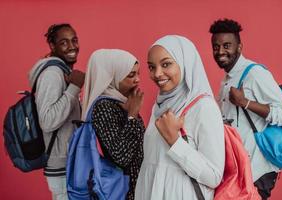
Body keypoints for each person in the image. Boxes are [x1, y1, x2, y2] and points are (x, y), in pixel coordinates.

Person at [209, 18, 282, 199]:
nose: (220, 51)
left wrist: (245, 103)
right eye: (216, 47)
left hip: (257, 171)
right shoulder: (226, 80)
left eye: (227, 45)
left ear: (239, 47)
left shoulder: (255, 74)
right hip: (238, 172)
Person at [135, 35, 225, 200]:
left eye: (166, 64)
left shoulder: (204, 107)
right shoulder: (159, 106)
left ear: (185, 63)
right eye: (151, 67)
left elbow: (213, 176)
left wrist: (175, 141)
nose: (157, 73)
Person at [28, 23, 85, 200]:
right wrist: (74, 88)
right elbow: (47, 120)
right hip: (61, 168)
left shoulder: (62, 71)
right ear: (52, 46)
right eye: (64, 42)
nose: (72, 46)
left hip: (70, 164)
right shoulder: (52, 74)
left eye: (74, 40)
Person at [81, 49, 145, 200]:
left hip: (131, 188)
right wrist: (132, 116)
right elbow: (121, 156)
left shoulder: (119, 102)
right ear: (111, 76)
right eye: (131, 75)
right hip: (122, 191)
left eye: (138, 73)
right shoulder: (104, 107)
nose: (137, 80)